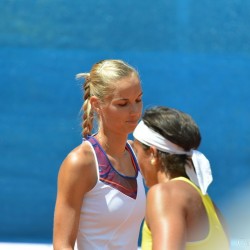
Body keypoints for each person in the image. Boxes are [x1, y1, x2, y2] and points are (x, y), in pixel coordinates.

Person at [53, 59, 146, 250]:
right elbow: (62, 245)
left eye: (138, 100)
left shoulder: (137, 154)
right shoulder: (80, 163)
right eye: (123, 104)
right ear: (97, 104)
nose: (135, 111)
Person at [133, 106, 230, 250]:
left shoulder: (165, 195)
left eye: (136, 151)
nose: (135, 160)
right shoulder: (206, 201)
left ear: (153, 154)